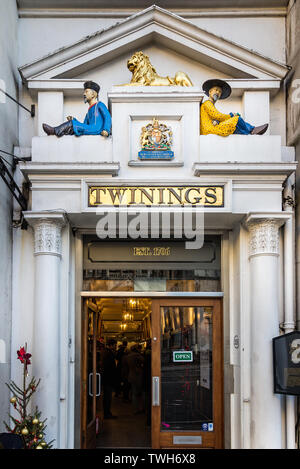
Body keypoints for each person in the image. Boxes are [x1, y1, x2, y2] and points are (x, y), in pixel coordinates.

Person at [42, 80, 112, 138]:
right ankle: (59, 131)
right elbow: (84, 125)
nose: (84, 94)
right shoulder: (88, 113)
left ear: (93, 94)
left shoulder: (99, 105)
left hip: (96, 129)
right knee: (74, 125)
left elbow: (107, 117)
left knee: (73, 124)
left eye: (86, 91)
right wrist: (74, 120)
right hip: (90, 128)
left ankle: (54, 131)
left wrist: (106, 130)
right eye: (84, 92)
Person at [200, 79, 268, 137]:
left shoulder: (210, 105)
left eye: (220, 91)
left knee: (235, 127)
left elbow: (215, 119)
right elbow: (218, 116)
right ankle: (252, 129)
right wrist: (231, 115)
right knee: (237, 119)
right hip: (210, 130)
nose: (218, 92)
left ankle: (250, 133)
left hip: (211, 128)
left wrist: (217, 121)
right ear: (210, 92)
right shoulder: (207, 103)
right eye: (216, 90)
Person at [123, 344, 145, 415]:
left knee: (134, 393)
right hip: (138, 375)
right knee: (141, 393)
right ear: (137, 349)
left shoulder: (128, 356)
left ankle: (135, 409)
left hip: (131, 375)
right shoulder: (138, 356)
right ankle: (141, 408)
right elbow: (144, 361)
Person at [100, 338, 118, 419]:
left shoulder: (106, 352)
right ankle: (107, 414)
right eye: (115, 344)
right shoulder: (108, 353)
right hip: (108, 378)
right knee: (107, 397)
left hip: (106, 378)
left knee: (107, 397)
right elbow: (110, 368)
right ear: (112, 345)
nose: (116, 346)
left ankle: (107, 412)